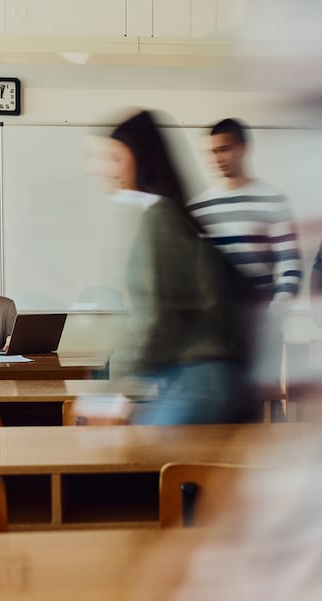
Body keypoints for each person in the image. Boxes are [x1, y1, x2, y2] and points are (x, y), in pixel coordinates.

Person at [105, 110, 251, 425]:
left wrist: (113, 392)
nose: (108, 171)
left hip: (196, 382)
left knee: (130, 462)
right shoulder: (168, 214)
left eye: (116, 159)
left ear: (139, 159)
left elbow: (156, 319)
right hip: (195, 380)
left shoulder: (160, 217)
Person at [189, 118, 303, 394]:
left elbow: (291, 267)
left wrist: (273, 316)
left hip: (260, 330)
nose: (218, 158)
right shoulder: (200, 208)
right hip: (215, 334)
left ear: (243, 148)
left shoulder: (272, 200)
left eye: (224, 149)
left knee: (259, 408)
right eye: (213, 152)